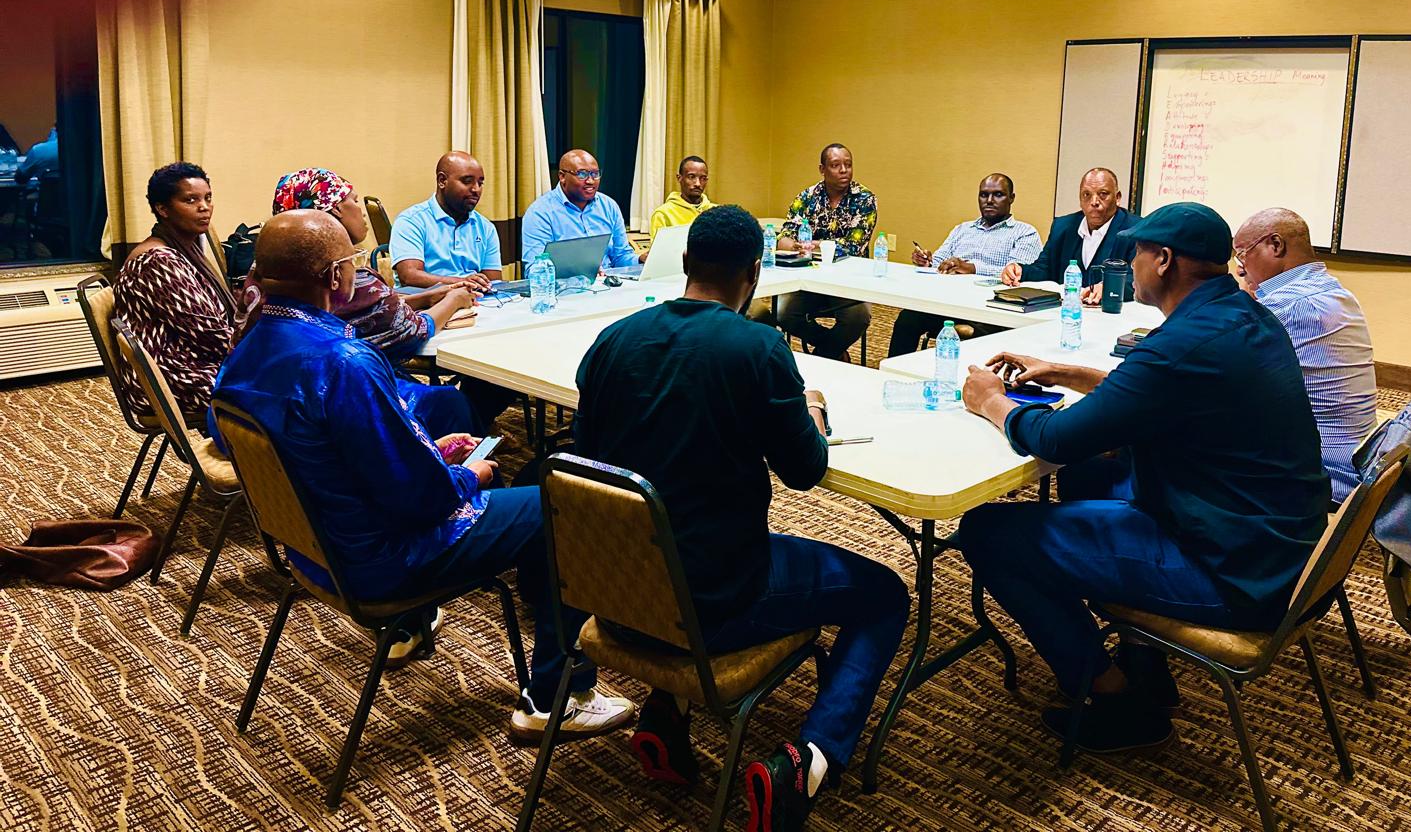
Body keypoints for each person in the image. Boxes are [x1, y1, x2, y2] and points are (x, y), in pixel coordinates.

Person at [211, 209, 636, 731]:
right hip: (379, 559)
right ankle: (558, 697)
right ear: (335, 277)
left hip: (311, 549)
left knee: (503, 483)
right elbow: (421, 500)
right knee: (566, 506)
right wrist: (468, 476)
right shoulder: (344, 361)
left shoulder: (248, 345)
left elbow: (326, 450)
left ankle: (415, 625)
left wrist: (430, 451)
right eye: (353, 262)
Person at [572, 205, 907, 827]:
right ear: (754, 273)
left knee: (675, 529)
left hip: (617, 594)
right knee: (885, 594)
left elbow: (584, 462)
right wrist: (809, 409)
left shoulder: (613, 340)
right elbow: (804, 471)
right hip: (714, 601)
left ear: (685, 262)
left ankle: (665, 716)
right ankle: (808, 764)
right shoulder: (757, 347)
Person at [960, 202, 1329, 754]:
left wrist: (991, 401)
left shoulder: (1180, 346)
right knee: (1092, 474)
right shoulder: (1244, 314)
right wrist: (1068, 373)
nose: (1128, 262)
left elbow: (1056, 440)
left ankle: (1120, 704)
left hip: (1237, 575)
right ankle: (1145, 664)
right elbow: (1163, 385)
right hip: (1280, 544)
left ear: (1164, 260)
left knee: (988, 532)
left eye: (1136, 252)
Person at [242, 168, 500, 438]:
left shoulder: (266, 269)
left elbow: (377, 306)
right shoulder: (345, 284)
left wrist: (428, 296)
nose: (362, 210)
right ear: (335, 211)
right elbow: (411, 329)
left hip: (270, 398)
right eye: (354, 200)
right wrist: (454, 299)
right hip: (325, 400)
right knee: (450, 403)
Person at [1234, 207, 1378, 500]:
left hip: (1321, 476)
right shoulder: (1334, 291)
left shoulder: (1287, 306)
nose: (1240, 270)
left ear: (1275, 245)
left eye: (1242, 255)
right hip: (1356, 461)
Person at [112, 162, 236, 427]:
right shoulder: (158, 261)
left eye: (208, 198)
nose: (204, 207)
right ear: (163, 209)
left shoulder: (182, 248)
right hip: (172, 377)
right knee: (282, 389)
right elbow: (209, 335)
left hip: (188, 362)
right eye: (190, 200)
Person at [886, 173, 1043, 358]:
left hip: (991, 309)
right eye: (984, 195)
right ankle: (891, 371)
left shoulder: (1025, 233)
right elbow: (939, 260)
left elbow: (1019, 275)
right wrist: (927, 261)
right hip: (951, 301)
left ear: (1011, 198)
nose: (989, 200)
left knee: (980, 333)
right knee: (908, 319)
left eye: (998, 195)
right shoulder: (963, 229)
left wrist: (972, 268)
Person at [774, 144, 878, 360]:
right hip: (808, 279)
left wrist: (813, 244)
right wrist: (794, 245)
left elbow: (853, 246)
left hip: (848, 281)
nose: (844, 170)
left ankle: (823, 355)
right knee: (783, 313)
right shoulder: (807, 197)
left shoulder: (865, 199)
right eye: (836, 165)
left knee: (858, 317)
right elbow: (784, 237)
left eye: (848, 165)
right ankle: (832, 350)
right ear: (822, 169)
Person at [1000, 167, 1133, 305]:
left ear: (1117, 198)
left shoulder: (1134, 230)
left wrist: (1110, 286)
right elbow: (1044, 269)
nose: (1094, 202)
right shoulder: (1063, 227)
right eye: (1086, 195)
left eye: (1103, 194)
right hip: (1067, 310)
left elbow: (1139, 280)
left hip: (1110, 312)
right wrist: (1020, 271)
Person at [389, 152, 503, 293]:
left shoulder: (485, 227)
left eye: (480, 183)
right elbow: (409, 277)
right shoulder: (411, 221)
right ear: (442, 181)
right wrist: (461, 283)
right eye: (467, 181)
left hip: (476, 301)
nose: (476, 190)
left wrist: (476, 286)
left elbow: (493, 282)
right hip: (425, 303)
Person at [521, 149, 640, 276]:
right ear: (562, 176)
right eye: (582, 174)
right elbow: (534, 271)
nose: (590, 181)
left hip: (609, 283)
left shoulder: (609, 206)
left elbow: (621, 257)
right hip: (566, 287)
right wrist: (578, 271)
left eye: (595, 174)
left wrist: (640, 260)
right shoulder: (540, 213)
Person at [647, 155, 716, 237]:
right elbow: (659, 245)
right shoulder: (663, 214)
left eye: (703, 178)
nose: (698, 183)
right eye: (691, 177)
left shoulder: (716, 212)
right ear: (679, 178)